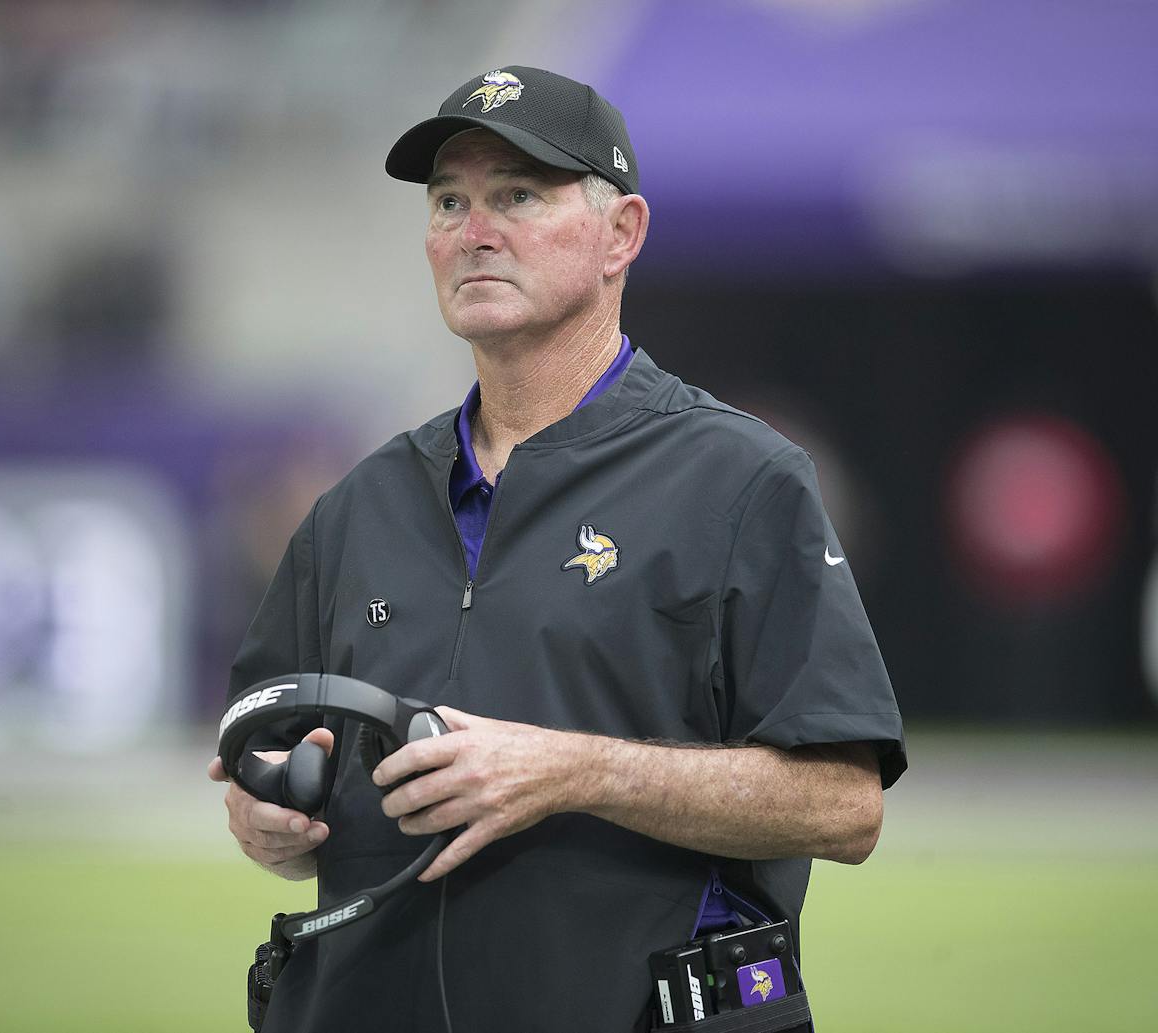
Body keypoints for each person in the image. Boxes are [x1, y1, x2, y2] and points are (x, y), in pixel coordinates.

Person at [208, 65, 906, 1033]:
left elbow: (841, 804)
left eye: (518, 196)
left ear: (621, 233)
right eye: (448, 201)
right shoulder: (356, 506)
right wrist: (269, 822)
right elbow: (273, 763)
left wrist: (576, 771)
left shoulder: (738, 478)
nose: (473, 230)